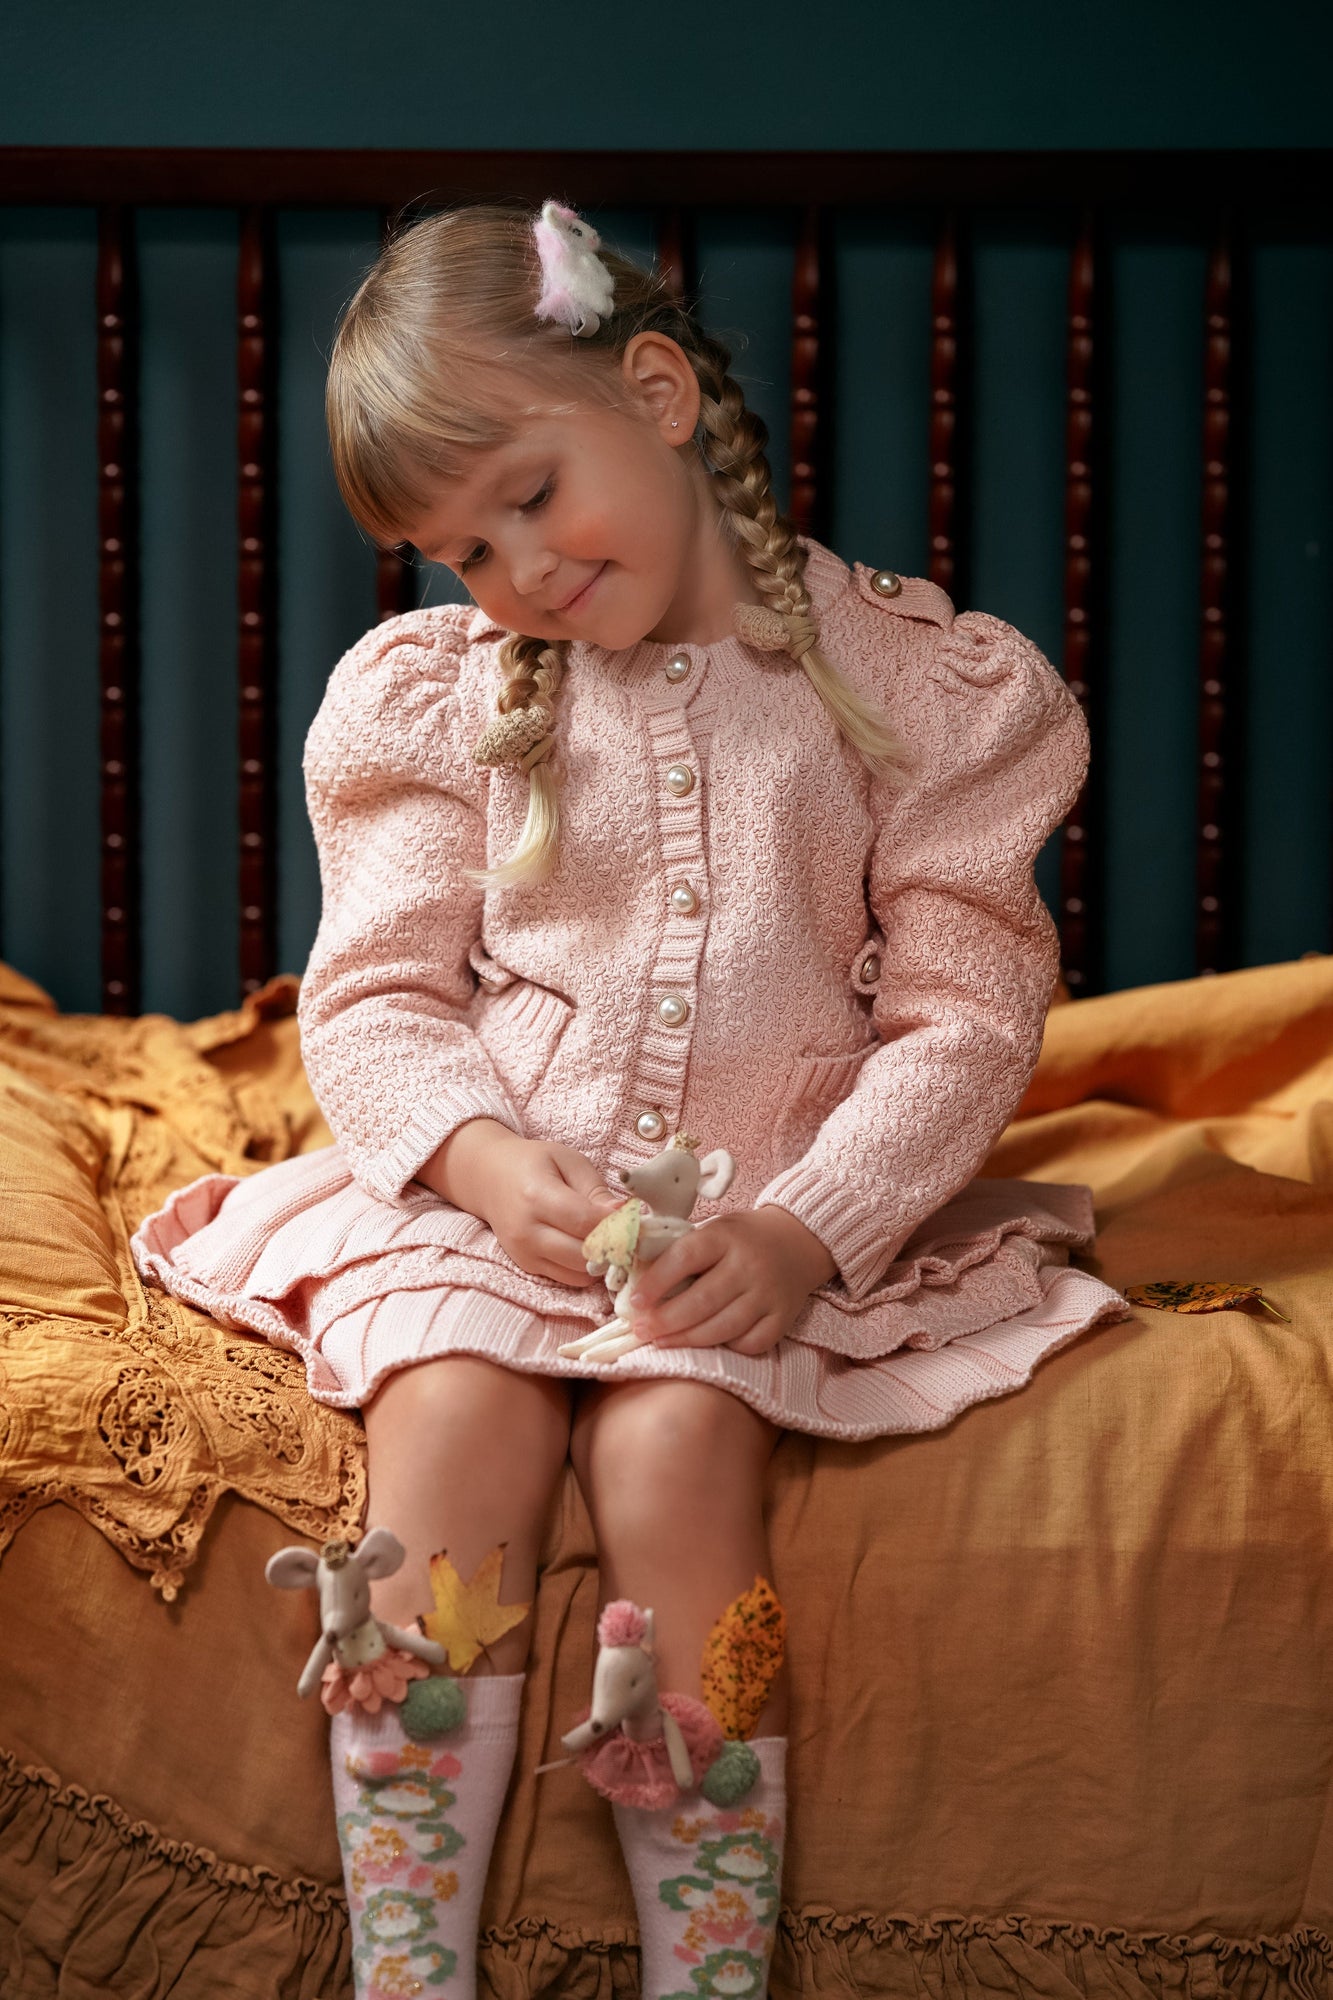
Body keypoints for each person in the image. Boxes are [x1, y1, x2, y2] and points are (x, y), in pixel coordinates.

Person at [131, 197, 1130, 2000]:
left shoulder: (906, 691)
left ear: (656, 392)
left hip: (762, 1212)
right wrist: (479, 1152)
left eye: (530, 494)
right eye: (457, 548)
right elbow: (371, 997)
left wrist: (803, 1230)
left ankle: (710, 1967)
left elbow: (967, 1022)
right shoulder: (446, 701)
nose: (510, 568)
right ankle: (411, 1968)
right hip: (504, 1185)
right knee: (449, 1429)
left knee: (671, 1449)